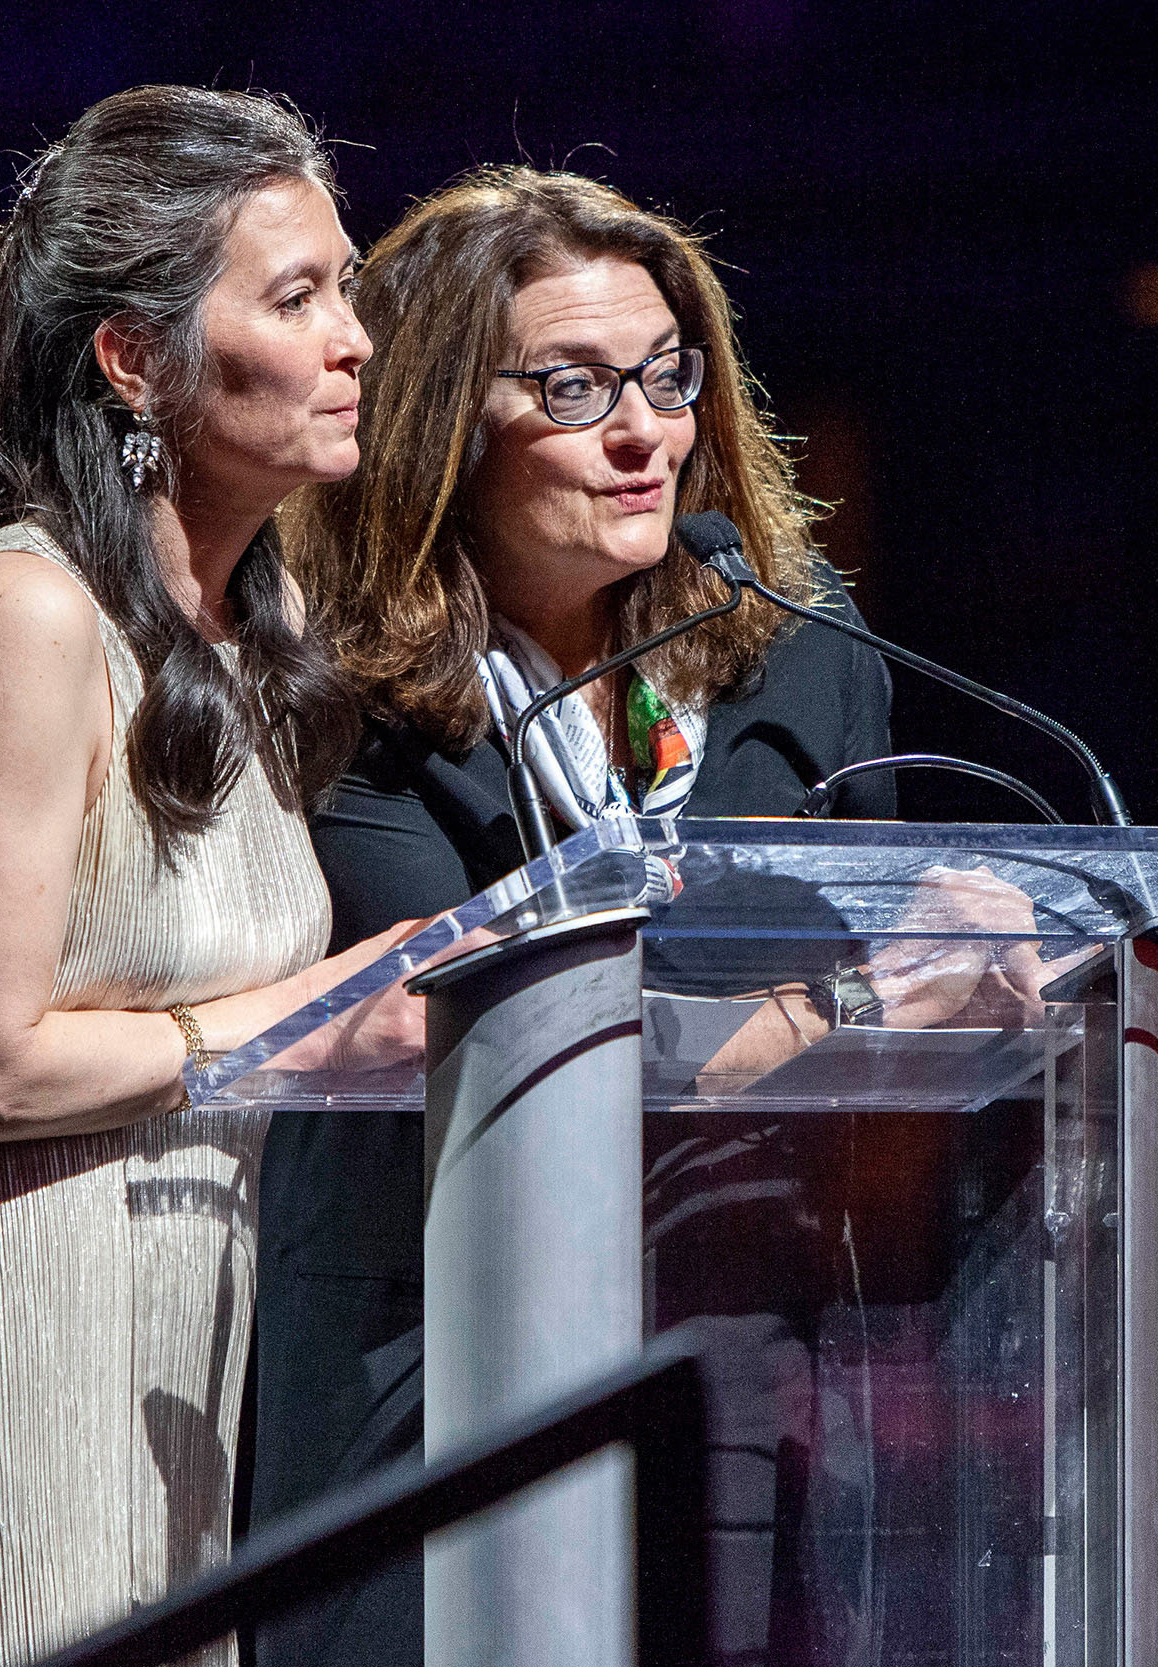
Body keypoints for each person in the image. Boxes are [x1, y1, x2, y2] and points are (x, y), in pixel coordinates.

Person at [0, 86, 410, 1667]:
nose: (358, 341)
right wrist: (306, 1024)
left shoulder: (251, 634)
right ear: (134, 359)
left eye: (351, 289)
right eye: (298, 295)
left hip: (160, 1343)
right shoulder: (26, 611)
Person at [249, 167, 906, 1666]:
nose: (644, 434)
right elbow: (501, 1036)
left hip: (724, 1335)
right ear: (441, 425)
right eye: (574, 386)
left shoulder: (798, 662)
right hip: (423, 1351)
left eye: (668, 376)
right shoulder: (344, 698)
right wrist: (842, 1010)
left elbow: (883, 964)